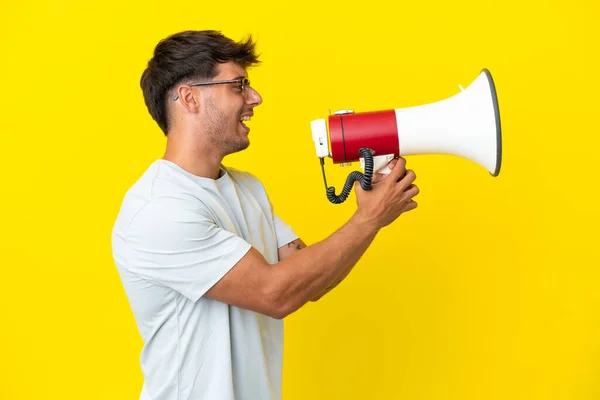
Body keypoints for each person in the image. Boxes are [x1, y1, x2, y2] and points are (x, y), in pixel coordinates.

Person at [111, 29, 419, 400]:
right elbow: (275, 293)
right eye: (238, 86)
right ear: (189, 98)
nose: (255, 98)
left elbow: (308, 278)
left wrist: (371, 212)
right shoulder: (159, 208)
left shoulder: (248, 188)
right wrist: (368, 220)